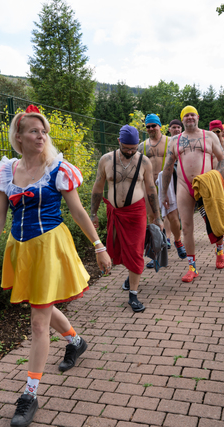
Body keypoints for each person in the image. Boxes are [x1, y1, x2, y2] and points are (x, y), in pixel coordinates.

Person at [0, 105, 112, 427]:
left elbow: (79, 212)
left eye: (44, 132)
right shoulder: (7, 171)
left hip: (49, 247)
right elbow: (0, 214)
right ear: (19, 136)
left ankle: (29, 394)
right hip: (20, 249)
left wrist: (98, 246)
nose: (41, 136)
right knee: (39, 303)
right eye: (33, 131)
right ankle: (75, 341)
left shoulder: (58, 168)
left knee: (38, 323)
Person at [90, 125, 163, 312]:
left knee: (136, 251)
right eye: (126, 148)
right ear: (119, 142)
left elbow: (151, 190)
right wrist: (93, 213)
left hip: (136, 213)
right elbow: (98, 188)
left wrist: (157, 216)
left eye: (134, 148)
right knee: (120, 249)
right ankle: (131, 275)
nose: (131, 152)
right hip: (115, 213)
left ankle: (133, 295)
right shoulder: (106, 160)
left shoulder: (144, 162)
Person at [161, 106, 224, 282]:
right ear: (182, 120)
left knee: (213, 220)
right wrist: (163, 194)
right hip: (184, 186)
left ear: (198, 117)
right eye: (186, 115)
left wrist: (217, 178)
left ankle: (219, 251)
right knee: (187, 227)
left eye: (192, 115)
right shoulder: (175, 140)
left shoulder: (210, 136)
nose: (189, 117)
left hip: (206, 185)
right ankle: (192, 267)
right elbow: (167, 168)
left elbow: (222, 159)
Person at [138, 114, 186, 268]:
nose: (151, 128)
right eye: (148, 126)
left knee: (172, 217)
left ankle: (178, 241)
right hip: (149, 185)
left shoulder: (171, 141)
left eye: (154, 125)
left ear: (160, 126)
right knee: (153, 219)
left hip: (167, 183)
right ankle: (156, 254)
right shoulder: (142, 146)